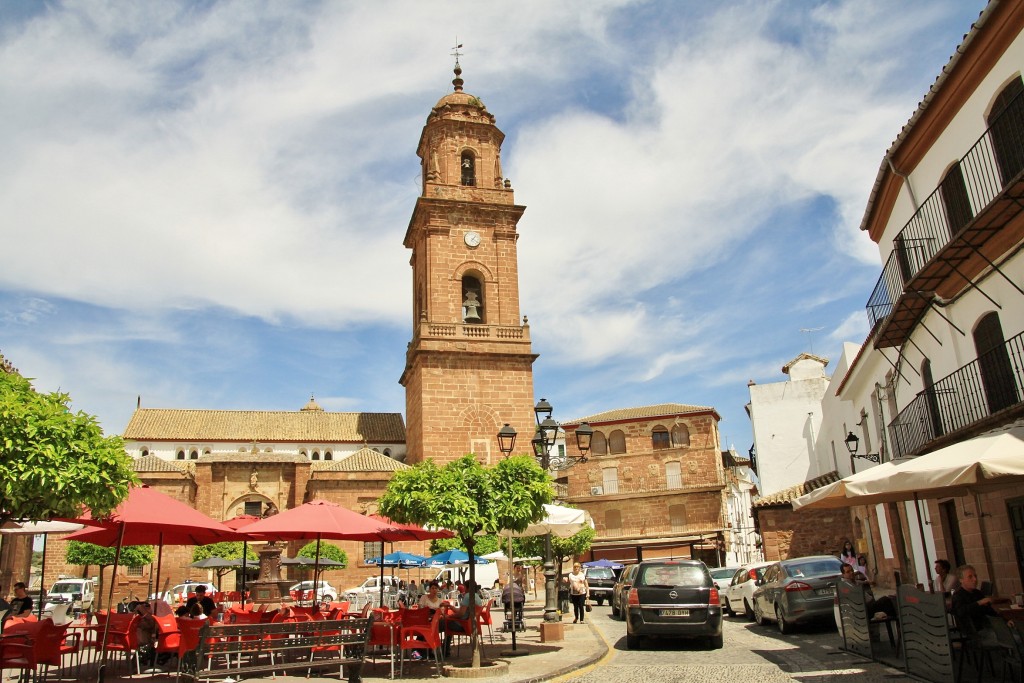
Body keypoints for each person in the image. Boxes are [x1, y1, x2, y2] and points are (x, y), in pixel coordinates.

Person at [951, 564, 999, 645]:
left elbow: (991, 612)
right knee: (1014, 640)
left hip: (989, 627)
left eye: (975, 576)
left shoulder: (978, 593)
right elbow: (961, 612)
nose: (975, 579)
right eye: (970, 577)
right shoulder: (958, 595)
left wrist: (1006, 621)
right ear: (961, 580)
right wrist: (979, 603)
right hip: (976, 633)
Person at [442, 580, 480, 657]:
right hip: (472, 625)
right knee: (447, 622)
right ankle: (445, 650)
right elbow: (462, 610)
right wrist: (451, 607)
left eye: (465, 586)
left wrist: (449, 616)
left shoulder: (467, 596)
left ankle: (442, 649)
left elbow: (461, 614)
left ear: (468, 587)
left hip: (464, 625)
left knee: (444, 623)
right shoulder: (477, 596)